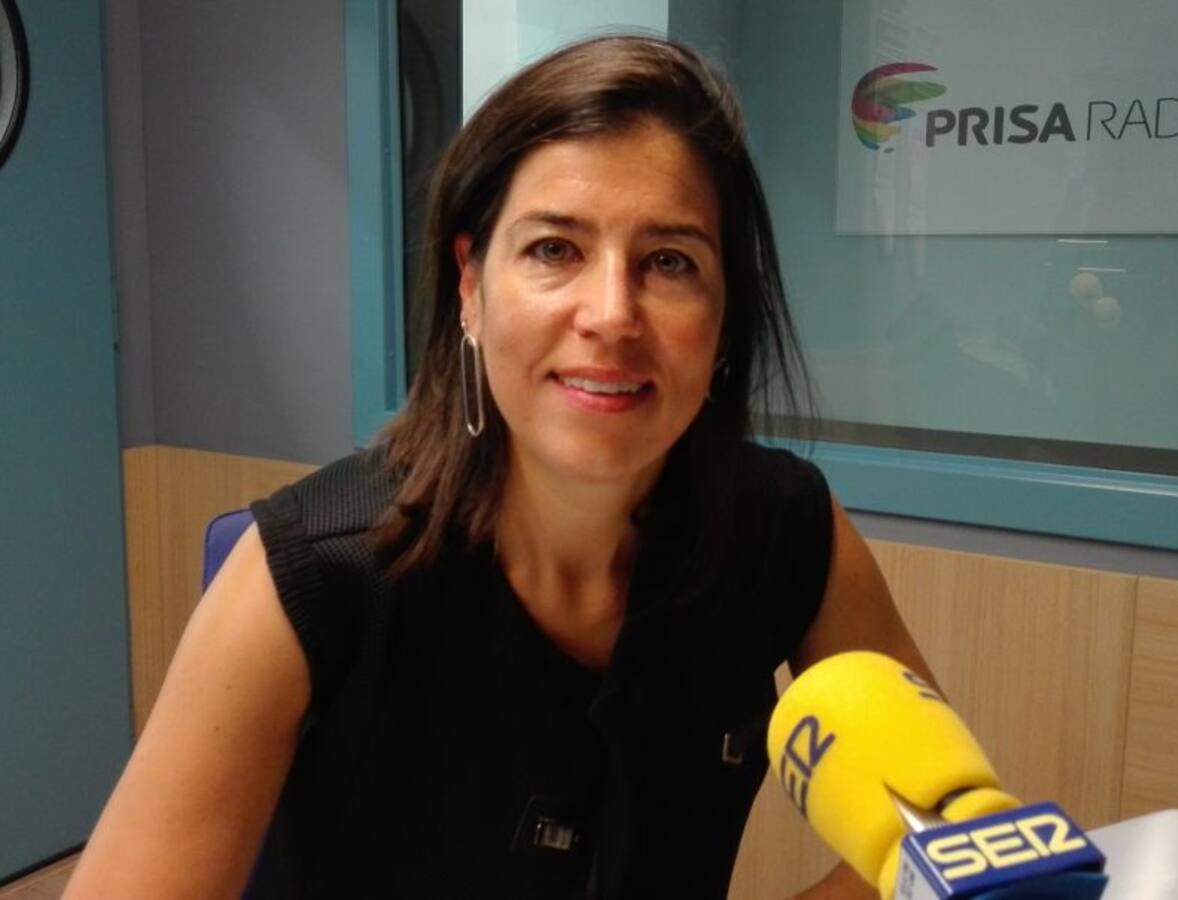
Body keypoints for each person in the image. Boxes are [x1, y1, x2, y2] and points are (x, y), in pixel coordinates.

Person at [66, 35, 932, 899]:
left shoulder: (784, 529)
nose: (611, 314)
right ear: (470, 286)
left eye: (670, 262)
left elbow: (942, 833)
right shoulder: (309, 574)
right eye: (554, 249)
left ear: (724, 317)